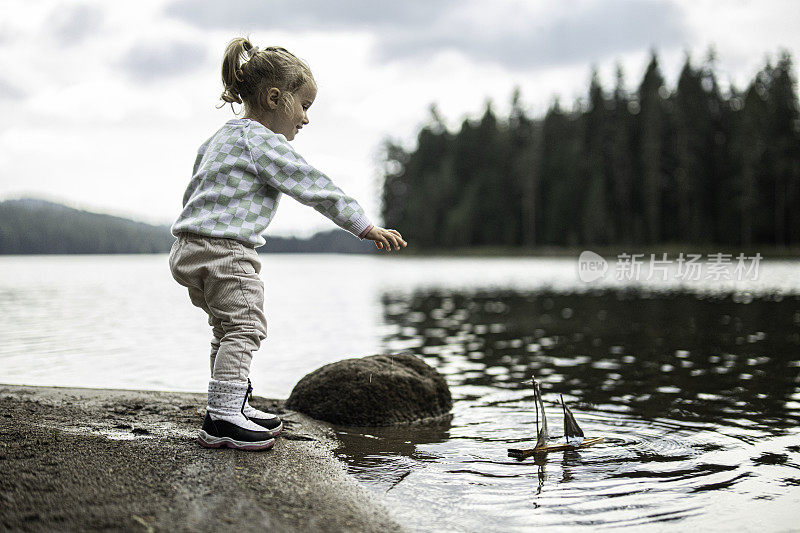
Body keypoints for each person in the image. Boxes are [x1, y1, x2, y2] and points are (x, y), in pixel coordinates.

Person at [169, 37, 407, 451]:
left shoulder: (219, 139)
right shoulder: (261, 141)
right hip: (224, 250)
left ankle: (230, 404)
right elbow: (313, 185)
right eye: (305, 106)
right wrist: (364, 226)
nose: (306, 119)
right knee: (246, 326)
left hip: (188, 247)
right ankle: (223, 419)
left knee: (226, 330)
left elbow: (195, 189)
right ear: (275, 98)